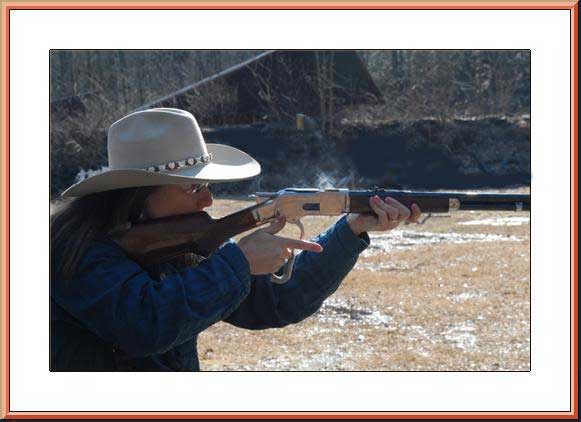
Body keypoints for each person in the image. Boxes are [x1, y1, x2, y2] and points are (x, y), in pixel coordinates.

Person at [50, 108, 421, 371]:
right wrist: (239, 263)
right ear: (136, 195)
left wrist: (352, 229)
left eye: (207, 186)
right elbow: (145, 323)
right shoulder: (75, 251)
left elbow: (277, 301)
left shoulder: (177, 244)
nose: (208, 200)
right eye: (193, 187)